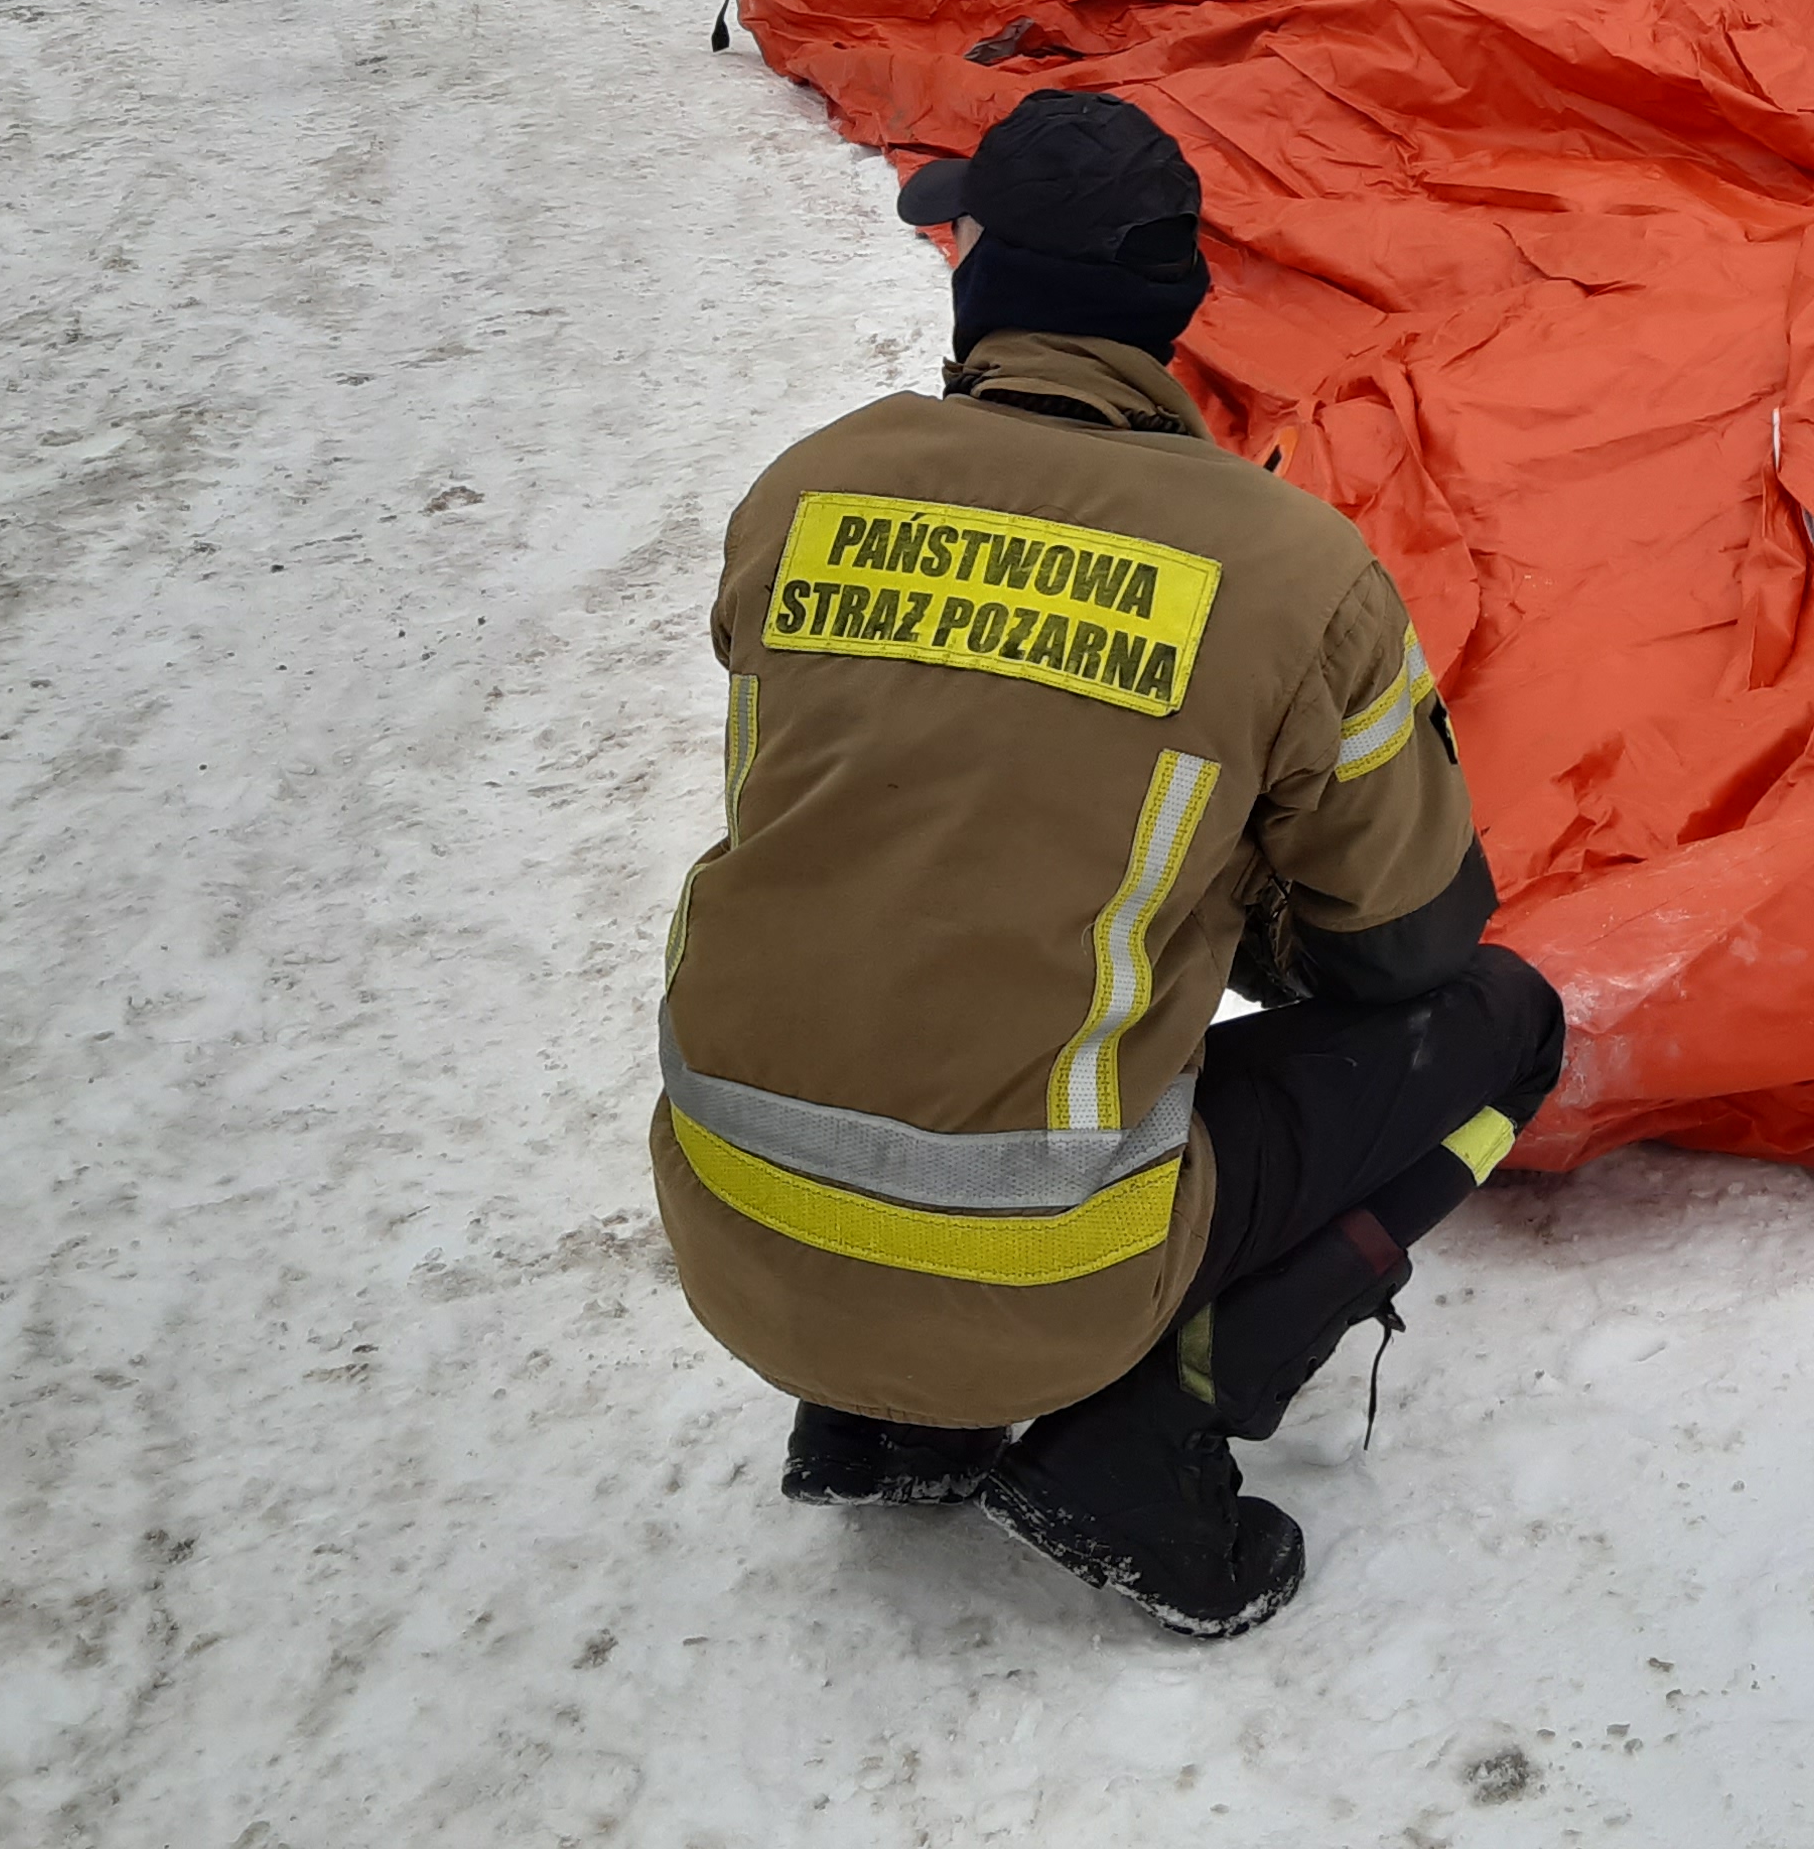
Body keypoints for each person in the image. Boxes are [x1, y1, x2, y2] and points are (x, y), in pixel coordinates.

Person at [649, 91, 1564, 1639]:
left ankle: (879, 1422)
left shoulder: (806, 491)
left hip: (734, 1233)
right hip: (1043, 1281)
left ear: (981, 277)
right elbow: (1401, 948)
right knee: (1504, 1028)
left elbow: (849, 817)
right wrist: (1241, 880)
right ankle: (1144, 1440)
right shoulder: (1289, 573)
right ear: (1177, 309)